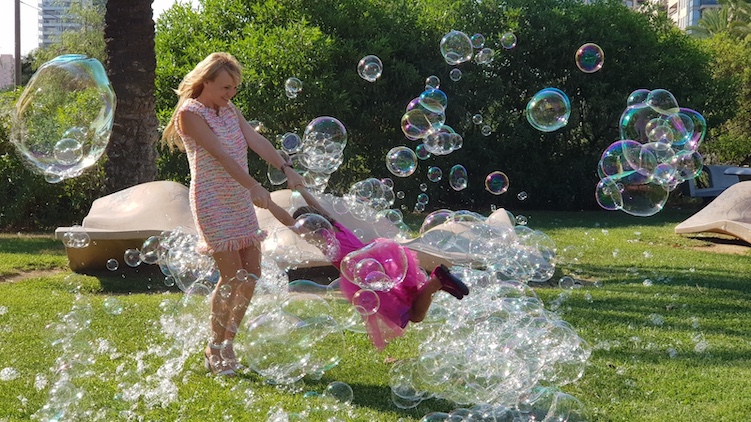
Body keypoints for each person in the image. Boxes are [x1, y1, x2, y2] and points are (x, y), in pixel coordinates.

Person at [162, 52, 306, 376]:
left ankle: (229, 341)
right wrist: (255, 186)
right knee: (231, 276)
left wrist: (286, 167)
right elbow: (222, 154)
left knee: (251, 274)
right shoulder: (190, 113)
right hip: (213, 200)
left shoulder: (229, 109)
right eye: (225, 87)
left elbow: (255, 140)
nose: (230, 94)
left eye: (234, 88)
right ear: (206, 81)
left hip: (239, 197)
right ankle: (214, 347)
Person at [288, 189, 469, 350]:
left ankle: (436, 281)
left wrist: (267, 203)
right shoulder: (336, 226)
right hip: (378, 261)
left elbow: (288, 220)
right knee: (411, 299)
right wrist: (299, 188)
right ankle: (438, 282)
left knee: (412, 315)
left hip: (366, 276)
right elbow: (315, 206)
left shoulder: (323, 242)